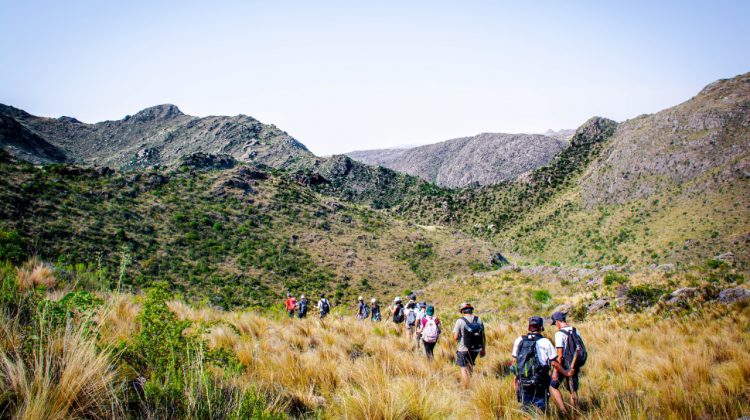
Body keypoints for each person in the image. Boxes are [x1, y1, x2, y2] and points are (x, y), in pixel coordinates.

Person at [511, 316, 573, 412]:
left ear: (529, 327)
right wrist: (566, 373)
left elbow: (515, 361)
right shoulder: (545, 342)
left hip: (523, 380)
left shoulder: (519, 340)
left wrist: (516, 377)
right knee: (541, 409)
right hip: (540, 381)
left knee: (526, 410)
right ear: (541, 327)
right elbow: (554, 363)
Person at [549, 311, 586, 414]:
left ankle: (563, 410)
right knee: (573, 389)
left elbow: (560, 355)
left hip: (564, 364)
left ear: (557, 322)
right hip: (575, 363)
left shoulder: (559, 334)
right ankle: (576, 412)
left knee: (553, 386)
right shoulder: (575, 330)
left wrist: (556, 371)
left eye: (555, 323)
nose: (555, 326)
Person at [452, 302, 486, 388]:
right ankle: (469, 380)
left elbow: (455, 337)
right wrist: (483, 349)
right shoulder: (479, 320)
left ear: (463, 311)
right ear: (471, 310)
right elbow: (483, 336)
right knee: (470, 364)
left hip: (463, 348)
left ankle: (466, 385)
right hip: (476, 348)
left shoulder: (460, 321)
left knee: (463, 367)